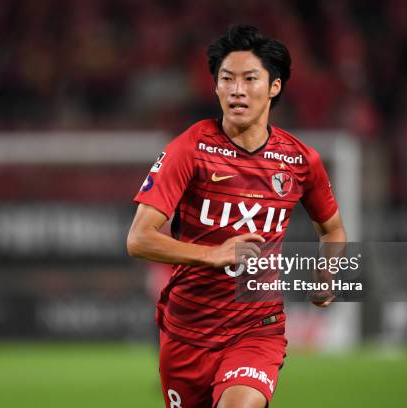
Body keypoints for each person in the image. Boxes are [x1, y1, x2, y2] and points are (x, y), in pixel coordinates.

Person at [127, 25, 346, 408]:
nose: (236, 89)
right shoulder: (190, 148)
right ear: (215, 87)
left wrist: (326, 275)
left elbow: (333, 231)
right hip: (187, 332)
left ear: (274, 87)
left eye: (249, 79)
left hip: (256, 329)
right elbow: (139, 239)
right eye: (226, 79)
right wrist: (212, 254)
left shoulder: (300, 160)